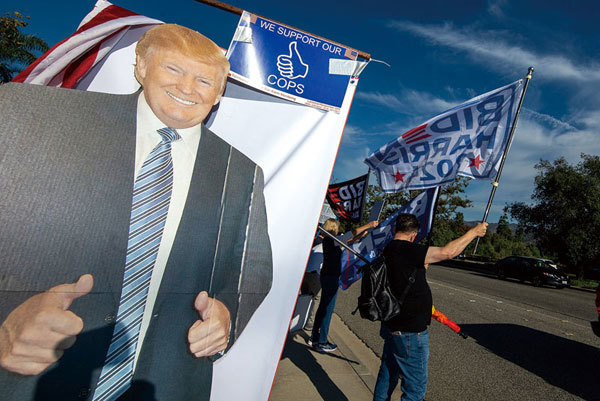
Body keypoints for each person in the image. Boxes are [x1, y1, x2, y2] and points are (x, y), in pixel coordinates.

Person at [0, 24, 272, 401]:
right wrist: (6, 316)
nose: (187, 88)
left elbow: (253, 265)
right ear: (141, 67)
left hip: (167, 382)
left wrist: (228, 312)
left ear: (219, 92)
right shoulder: (42, 120)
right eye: (174, 70)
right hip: (32, 378)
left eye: (204, 80)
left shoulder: (240, 172)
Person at [373, 213, 487, 401]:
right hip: (410, 331)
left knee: (388, 374)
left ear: (395, 229)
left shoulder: (389, 248)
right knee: (415, 390)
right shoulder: (407, 249)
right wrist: (473, 232)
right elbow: (448, 252)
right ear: (413, 235)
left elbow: (405, 275)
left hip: (392, 324)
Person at [311, 218, 378, 353]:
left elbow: (349, 241)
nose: (338, 229)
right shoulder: (332, 239)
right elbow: (351, 234)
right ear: (333, 227)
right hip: (331, 277)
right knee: (327, 310)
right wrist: (369, 224)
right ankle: (322, 341)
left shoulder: (329, 240)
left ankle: (315, 337)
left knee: (323, 307)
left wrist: (362, 234)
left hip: (326, 276)